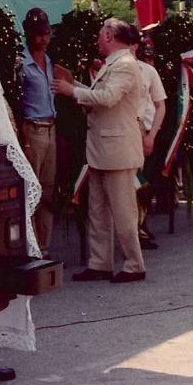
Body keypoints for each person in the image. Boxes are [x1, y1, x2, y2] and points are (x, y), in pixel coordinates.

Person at [53, 18, 146, 283]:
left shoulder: (125, 66)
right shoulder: (117, 64)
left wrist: (71, 91)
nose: (97, 40)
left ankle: (134, 264)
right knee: (98, 210)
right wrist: (75, 85)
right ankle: (100, 262)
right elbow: (101, 95)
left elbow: (107, 99)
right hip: (103, 149)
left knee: (123, 211)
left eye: (99, 36)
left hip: (116, 150)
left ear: (109, 36)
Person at [19, 8, 57, 259]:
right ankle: (32, 247)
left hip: (51, 128)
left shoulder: (49, 62)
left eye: (46, 33)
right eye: (38, 34)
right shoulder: (22, 63)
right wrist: (25, 141)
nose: (43, 39)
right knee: (32, 190)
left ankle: (45, 245)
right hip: (33, 130)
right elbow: (18, 104)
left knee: (48, 189)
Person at [129, 25, 167, 240]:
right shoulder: (110, 68)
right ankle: (134, 229)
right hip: (126, 132)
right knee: (131, 183)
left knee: (144, 183)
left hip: (147, 132)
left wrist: (152, 135)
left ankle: (141, 223)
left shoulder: (148, 71)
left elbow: (161, 105)